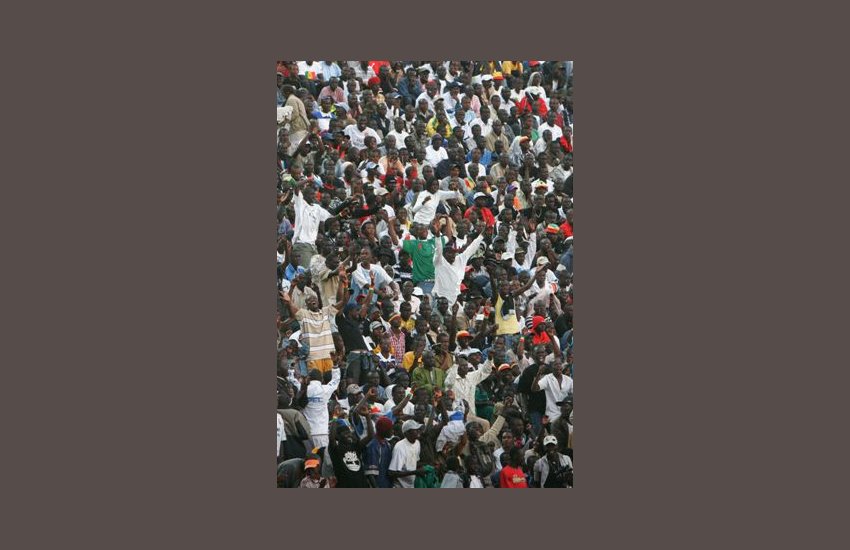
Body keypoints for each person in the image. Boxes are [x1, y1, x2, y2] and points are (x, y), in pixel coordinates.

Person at [302, 365, 341, 449]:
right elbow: (335, 380)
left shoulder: (304, 390)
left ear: (309, 378)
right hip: (322, 433)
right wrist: (335, 367)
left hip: (308, 434)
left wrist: (291, 370)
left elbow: (294, 382)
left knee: (310, 456)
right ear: (321, 379)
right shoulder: (325, 389)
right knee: (324, 456)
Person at [389, 420, 425, 488]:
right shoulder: (400, 447)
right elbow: (392, 473)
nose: (418, 431)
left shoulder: (417, 443)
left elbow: (415, 462)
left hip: (411, 486)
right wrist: (415, 472)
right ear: (407, 433)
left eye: (418, 429)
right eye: (415, 430)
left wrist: (425, 467)